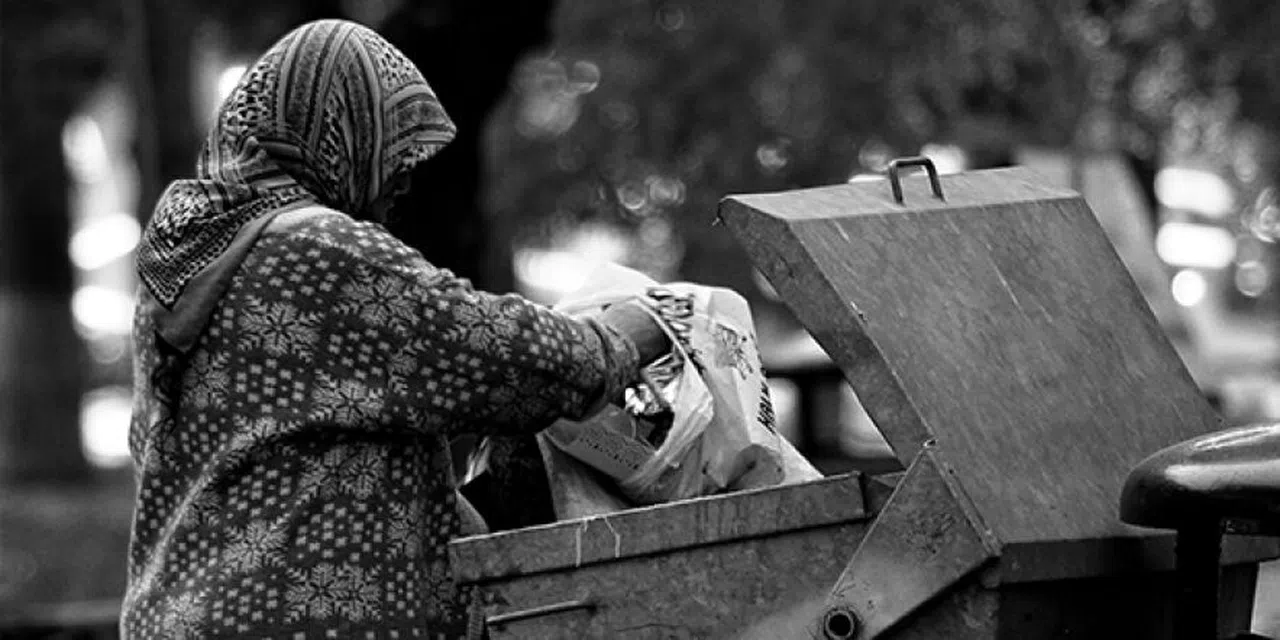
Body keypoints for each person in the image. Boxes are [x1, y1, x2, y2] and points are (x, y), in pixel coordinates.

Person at [122, 19, 668, 639]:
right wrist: (626, 335)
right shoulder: (318, 249)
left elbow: (278, 437)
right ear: (336, 133)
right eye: (392, 150)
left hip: (183, 613)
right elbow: (505, 357)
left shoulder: (187, 254)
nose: (404, 180)